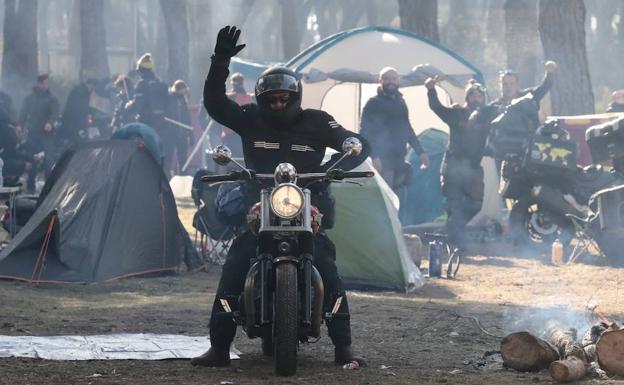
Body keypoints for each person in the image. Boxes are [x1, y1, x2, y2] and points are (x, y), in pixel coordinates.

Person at [191, 25, 370, 368]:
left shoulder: (318, 122)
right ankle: (219, 346)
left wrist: (337, 164)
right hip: (259, 207)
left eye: (282, 98)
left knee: (327, 267)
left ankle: (343, 348)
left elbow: (356, 141)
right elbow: (215, 103)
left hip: (308, 205)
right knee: (235, 264)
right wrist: (221, 61)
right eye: (271, 99)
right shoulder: (249, 118)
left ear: (294, 97)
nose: (277, 103)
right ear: (261, 100)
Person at [425, 77, 488, 248]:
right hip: (453, 167)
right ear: (467, 97)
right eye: (473, 95)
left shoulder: (485, 118)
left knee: (475, 204)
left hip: (473, 169)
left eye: (479, 96)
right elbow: (437, 107)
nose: (476, 98)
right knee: (455, 206)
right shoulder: (457, 114)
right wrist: (431, 90)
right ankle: (455, 243)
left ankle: (447, 233)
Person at [360, 67, 429, 193]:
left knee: (399, 198)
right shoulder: (373, 103)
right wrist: (374, 156)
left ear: (398, 80)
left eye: (393, 78)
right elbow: (365, 132)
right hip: (383, 161)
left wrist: (421, 152)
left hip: (399, 159)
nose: (390, 82)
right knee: (387, 201)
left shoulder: (401, 102)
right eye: (386, 79)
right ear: (380, 81)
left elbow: (407, 128)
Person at [125, 53, 170, 172]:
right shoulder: (162, 85)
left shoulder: (141, 85)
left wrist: (129, 106)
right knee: (159, 152)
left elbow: (138, 106)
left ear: (141, 71)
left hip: (146, 123)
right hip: (161, 124)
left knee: (145, 152)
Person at [19, 74, 60, 193]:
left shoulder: (52, 98)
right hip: (33, 133)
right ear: (39, 83)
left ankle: (49, 186)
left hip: (47, 135)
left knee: (48, 159)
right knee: (31, 158)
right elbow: (23, 113)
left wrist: (50, 123)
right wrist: (20, 125)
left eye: (47, 84)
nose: (46, 86)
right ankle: (31, 185)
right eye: (44, 84)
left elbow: (55, 113)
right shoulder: (30, 98)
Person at [165, 80, 193, 174]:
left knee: (182, 157)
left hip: (182, 133)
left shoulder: (183, 99)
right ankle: (167, 174)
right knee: (169, 155)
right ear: (179, 89)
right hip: (171, 133)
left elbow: (187, 118)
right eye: (184, 90)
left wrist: (191, 135)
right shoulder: (169, 98)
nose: (185, 92)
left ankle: (182, 175)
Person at [60, 78, 98, 147]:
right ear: (90, 85)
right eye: (93, 87)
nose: (93, 90)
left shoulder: (80, 90)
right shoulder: (82, 93)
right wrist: (81, 127)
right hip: (73, 123)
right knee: (78, 144)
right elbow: (79, 111)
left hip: (70, 121)